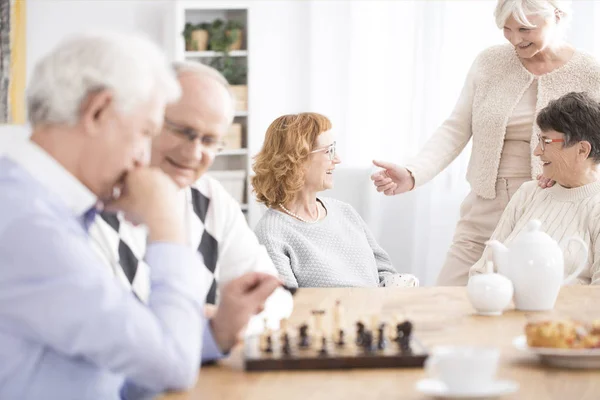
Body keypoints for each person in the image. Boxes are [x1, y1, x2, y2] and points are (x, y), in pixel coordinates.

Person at [0, 32, 212, 399]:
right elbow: (172, 365)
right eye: (145, 132)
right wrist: (167, 225)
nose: (143, 160)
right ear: (97, 111)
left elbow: (114, 373)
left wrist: (215, 334)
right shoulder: (26, 223)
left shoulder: (45, 209)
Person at [370, 0, 600, 286]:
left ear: (555, 15)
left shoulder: (590, 71)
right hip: (483, 208)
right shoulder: (490, 62)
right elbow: (456, 127)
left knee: (523, 307)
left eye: (525, 29)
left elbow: (593, 144)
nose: (515, 39)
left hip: (548, 209)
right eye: (507, 28)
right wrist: (414, 173)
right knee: (447, 299)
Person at [91, 61, 282, 360]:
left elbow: (271, 297)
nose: (194, 153)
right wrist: (211, 324)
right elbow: (111, 336)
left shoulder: (211, 198)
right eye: (183, 132)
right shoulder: (91, 206)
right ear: (145, 121)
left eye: (209, 140)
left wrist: (216, 324)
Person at [252, 113, 418, 289]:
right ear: (297, 159)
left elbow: (384, 272)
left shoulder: (344, 211)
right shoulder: (271, 233)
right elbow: (288, 303)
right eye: (329, 150)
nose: (337, 159)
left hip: (376, 313)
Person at [470, 92, 600, 284]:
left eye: (546, 142)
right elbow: (484, 268)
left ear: (582, 150)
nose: (537, 151)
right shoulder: (529, 192)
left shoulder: (595, 207)